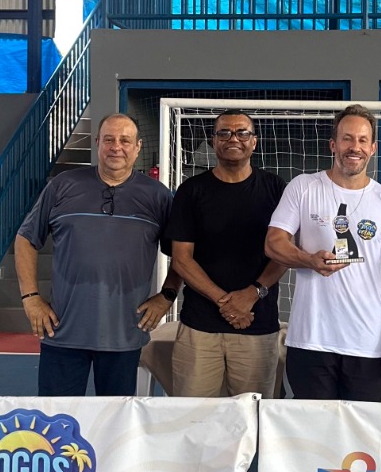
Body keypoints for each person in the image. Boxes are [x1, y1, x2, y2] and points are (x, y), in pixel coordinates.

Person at [15, 112, 179, 395]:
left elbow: (183, 253)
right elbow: (25, 239)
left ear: (138, 146)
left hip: (125, 335)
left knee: (117, 419)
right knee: (59, 417)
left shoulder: (158, 196)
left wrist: (167, 296)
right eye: (109, 140)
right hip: (62, 331)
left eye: (125, 140)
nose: (117, 147)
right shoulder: (62, 185)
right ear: (97, 143)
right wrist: (30, 298)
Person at [264, 104, 381, 401]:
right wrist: (308, 259)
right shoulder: (303, 187)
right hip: (310, 340)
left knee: (362, 428)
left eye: (362, 140)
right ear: (333, 144)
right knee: (308, 426)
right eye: (347, 138)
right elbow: (273, 242)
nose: (354, 147)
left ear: (372, 148)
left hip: (365, 343)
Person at [168, 110, 287, 397]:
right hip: (199, 328)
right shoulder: (191, 190)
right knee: (192, 416)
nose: (233, 138)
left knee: (252, 417)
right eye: (224, 133)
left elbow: (284, 252)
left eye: (242, 132)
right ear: (213, 141)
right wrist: (227, 302)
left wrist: (252, 294)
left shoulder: (276, 189)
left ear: (254, 142)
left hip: (257, 326)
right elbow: (181, 259)